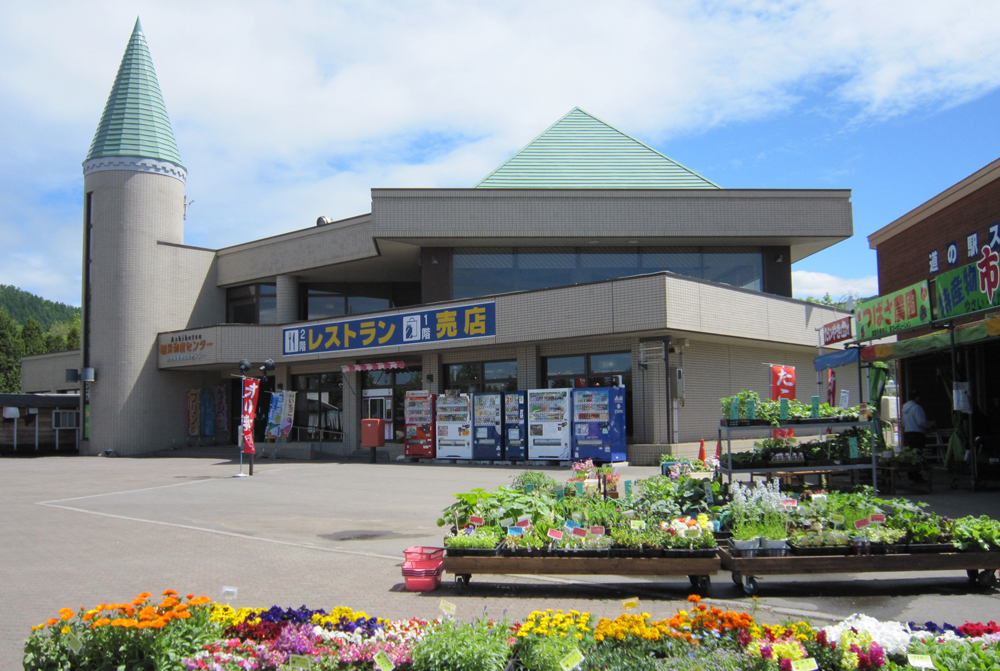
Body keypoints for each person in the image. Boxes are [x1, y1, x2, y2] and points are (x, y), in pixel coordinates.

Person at [902, 392, 933, 483]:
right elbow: (921, 422)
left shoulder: (904, 408)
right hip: (917, 434)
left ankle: (911, 474)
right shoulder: (917, 408)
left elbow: (903, 423)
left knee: (911, 456)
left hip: (907, 433)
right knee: (919, 456)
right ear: (917, 397)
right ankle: (918, 476)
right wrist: (930, 424)